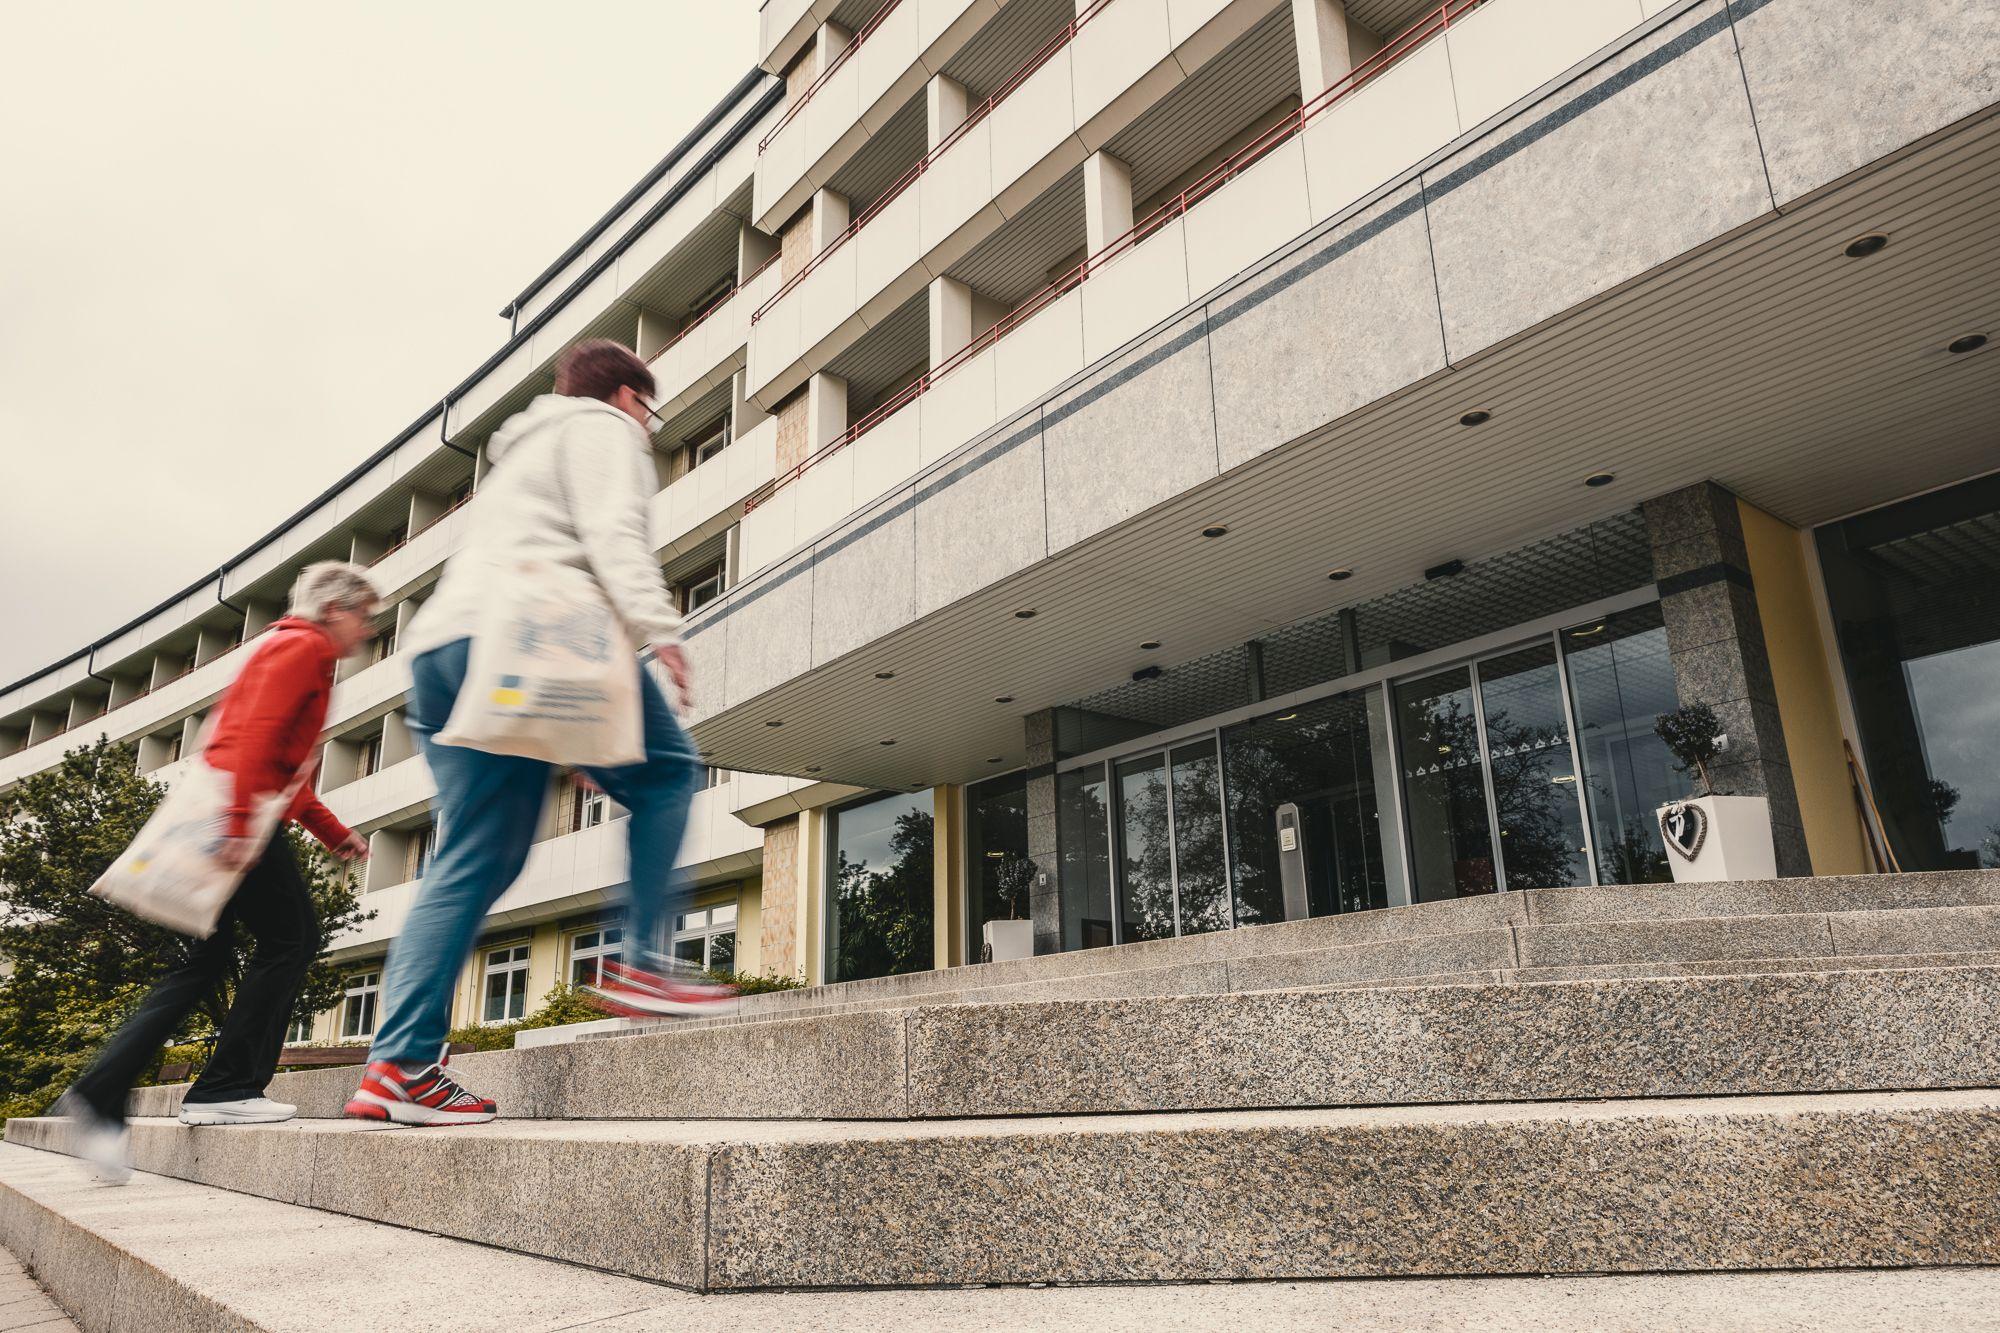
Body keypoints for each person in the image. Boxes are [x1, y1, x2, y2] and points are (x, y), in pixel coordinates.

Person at [345, 339, 728, 1128]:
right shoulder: (603, 429)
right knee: (668, 775)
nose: (647, 427)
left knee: (473, 857)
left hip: (445, 656)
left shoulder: (518, 456)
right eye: (647, 411)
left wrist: (581, 727)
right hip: (532, 633)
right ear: (627, 397)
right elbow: (610, 536)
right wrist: (664, 629)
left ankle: (399, 1067)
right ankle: (647, 963)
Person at [61, 562, 376, 1182]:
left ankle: (102, 1093)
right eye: (365, 617)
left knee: (201, 961)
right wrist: (236, 827)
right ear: (336, 609)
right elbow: (254, 742)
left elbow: (286, 771)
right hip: (238, 816)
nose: (367, 630)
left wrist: (336, 836)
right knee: (292, 938)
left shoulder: (289, 648)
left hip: (229, 810)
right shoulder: (303, 647)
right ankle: (227, 1087)